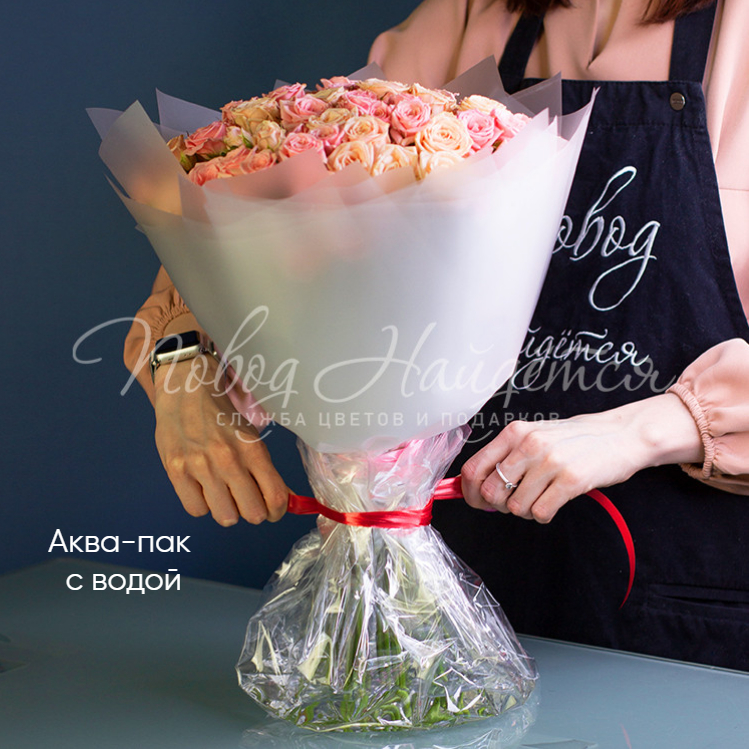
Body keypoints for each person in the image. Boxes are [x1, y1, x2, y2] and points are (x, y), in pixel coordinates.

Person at [124, 0, 749, 669]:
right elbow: (279, 203)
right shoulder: (466, 17)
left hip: (683, 608)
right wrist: (182, 360)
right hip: (447, 582)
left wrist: (640, 430)